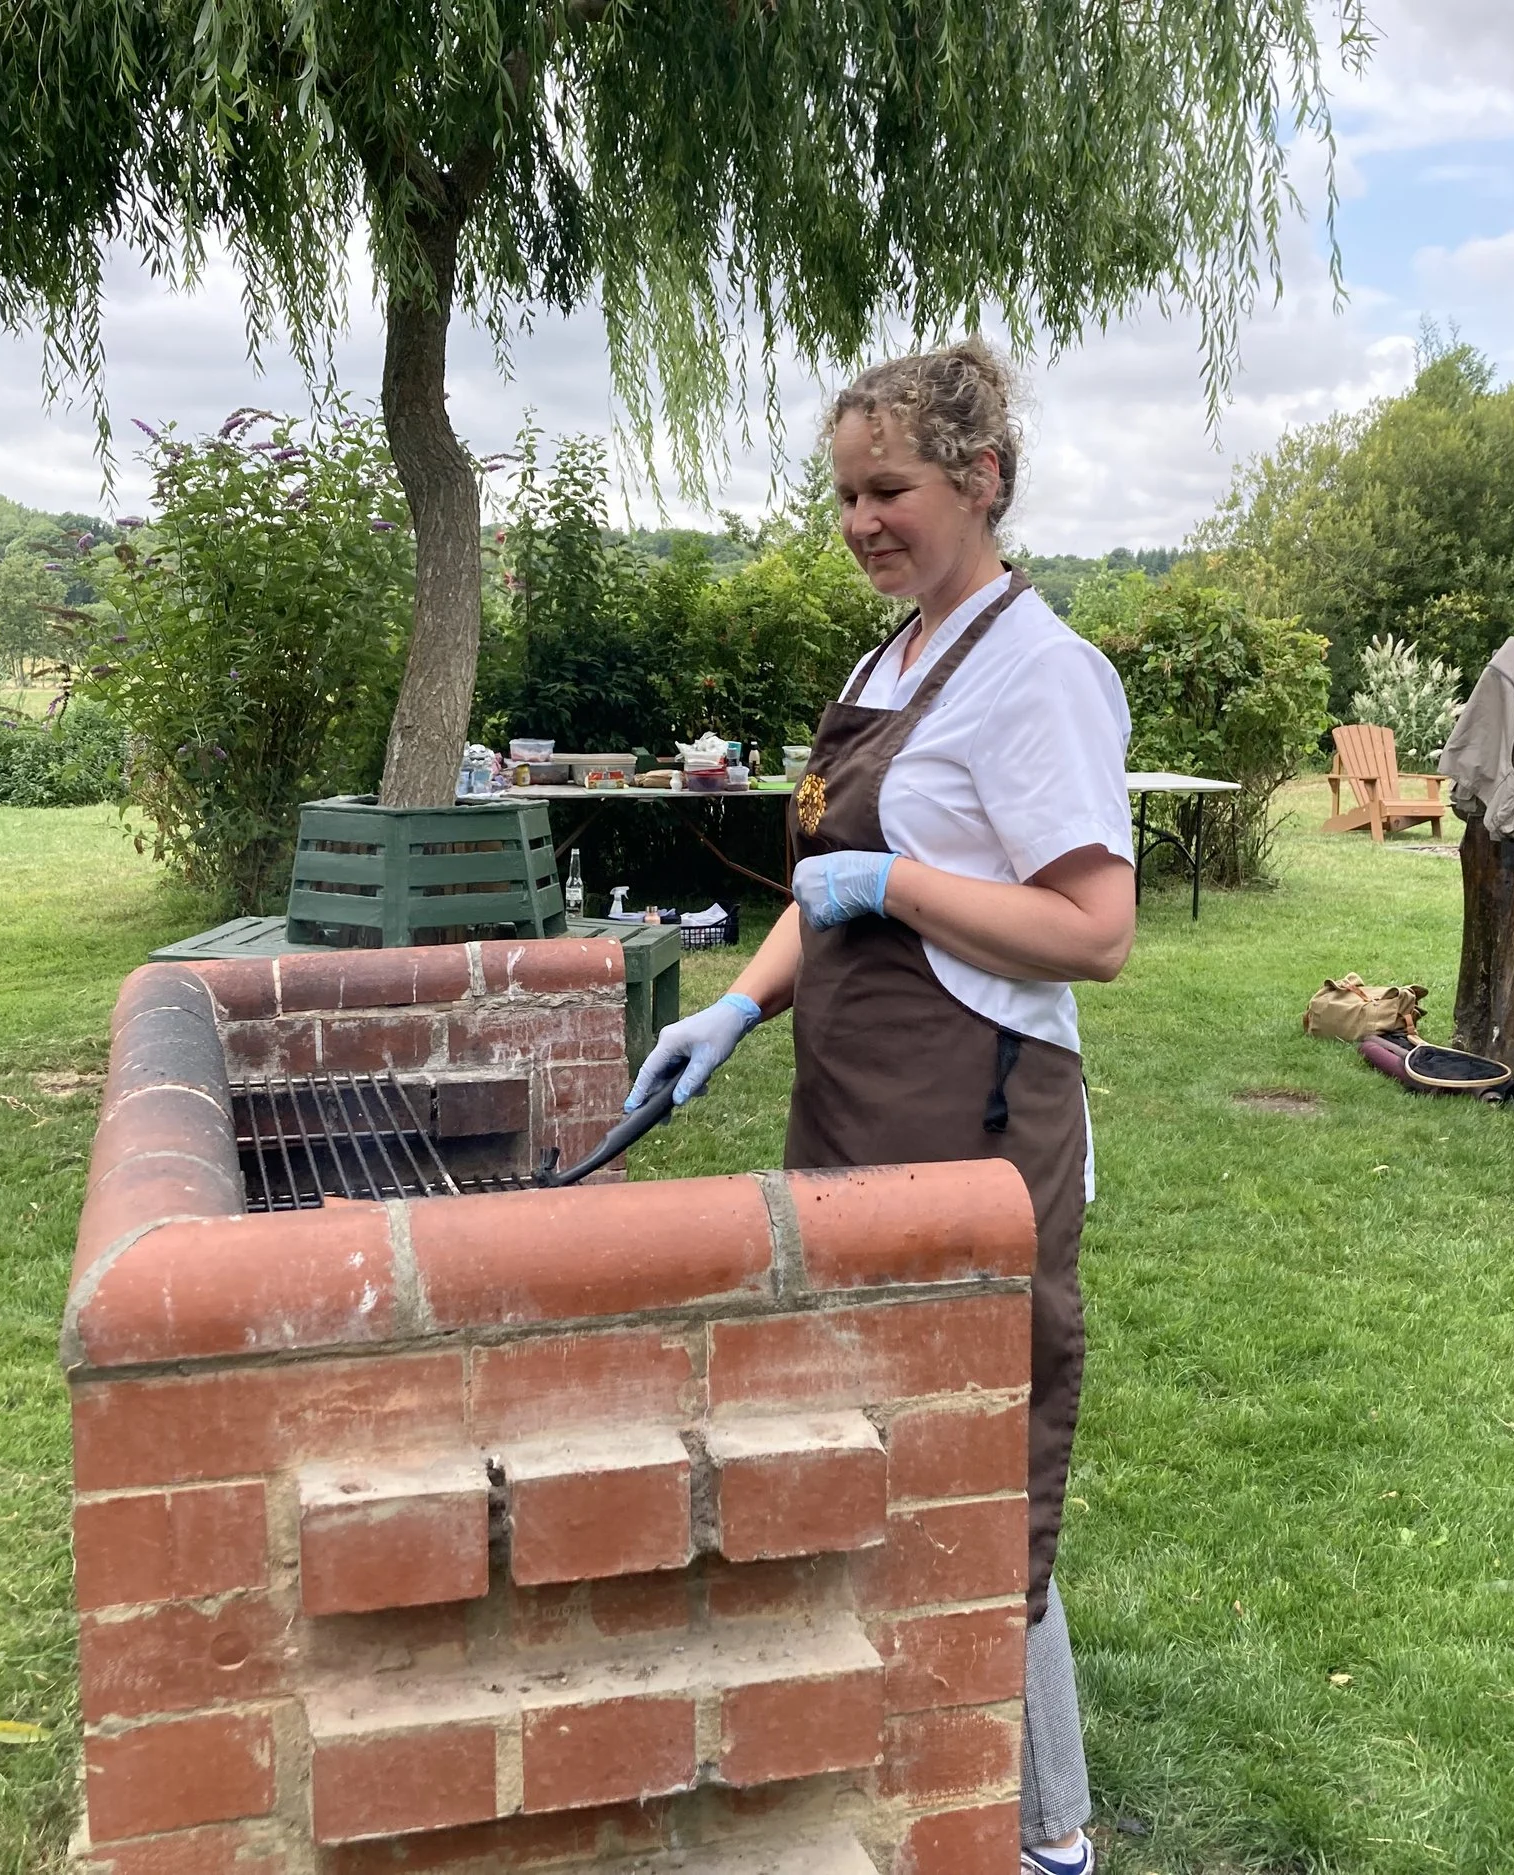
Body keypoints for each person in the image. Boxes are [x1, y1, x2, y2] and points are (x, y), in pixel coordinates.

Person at [625, 339, 1135, 1875]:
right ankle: (902, 1754)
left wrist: (892, 880)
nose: (860, 519)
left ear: (981, 482)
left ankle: (1049, 1828)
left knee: (986, 1470)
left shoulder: (1039, 671)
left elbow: (1097, 930)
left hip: (976, 1131)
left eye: (890, 488)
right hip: (849, 1115)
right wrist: (735, 1000)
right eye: (845, 491)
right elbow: (825, 903)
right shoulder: (884, 664)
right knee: (864, 1446)